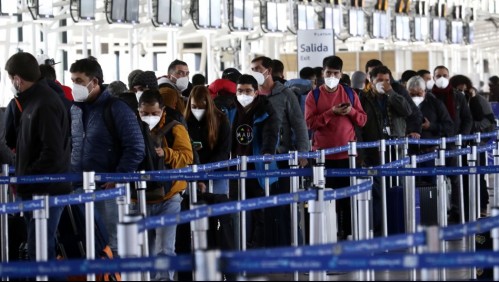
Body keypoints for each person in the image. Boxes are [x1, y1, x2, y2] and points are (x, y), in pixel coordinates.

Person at [70, 57, 145, 255]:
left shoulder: (116, 108)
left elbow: (136, 147)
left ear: (94, 82)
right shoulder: (75, 110)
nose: (74, 86)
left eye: (78, 81)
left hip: (107, 191)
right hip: (79, 187)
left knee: (112, 245)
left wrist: (117, 177)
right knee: (86, 247)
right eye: (73, 81)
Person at [5, 52, 72, 261]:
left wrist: (27, 178)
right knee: (39, 249)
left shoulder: (44, 104)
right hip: (36, 189)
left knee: (40, 251)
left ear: (17, 79)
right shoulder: (31, 102)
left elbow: (51, 153)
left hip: (45, 190)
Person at [305, 55, 367, 240]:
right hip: (322, 157)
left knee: (348, 199)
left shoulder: (350, 94)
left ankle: (348, 233)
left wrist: (351, 112)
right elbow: (310, 124)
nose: (332, 76)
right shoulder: (313, 96)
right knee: (325, 199)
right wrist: (331, 112)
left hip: (347, 156)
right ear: (322, 74)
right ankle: (325, 234)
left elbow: (363, 120)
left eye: (335, 73)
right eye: (328, 72)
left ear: (341, 74)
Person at [251, 56, 309, 246]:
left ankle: (291, 245)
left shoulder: (286, 94)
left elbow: (299, 124)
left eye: (257, 68)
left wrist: (303, 151)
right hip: (258, 159)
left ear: (268, 70)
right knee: (262, 208)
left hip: (282, 157)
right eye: (252, 69)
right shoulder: (252, 94)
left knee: (285, 205)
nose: (255, 72)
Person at [137, 89, 193, 281]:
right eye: (144, 113)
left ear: (162, 110)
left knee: (165, 249)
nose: (149, 117)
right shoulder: (132, 128)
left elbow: (187, 157)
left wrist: (166, 154)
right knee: (146, 250)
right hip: (140, 198)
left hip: (169, 197)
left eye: (154, 113)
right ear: (138, 110)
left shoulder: (175, 128)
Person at [358, 65, 413, 235]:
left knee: (396, 190)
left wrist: (391, 93)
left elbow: (407, 111)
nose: (384, 83)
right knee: (376, 194)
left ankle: (396, 226)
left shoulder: (396, 95)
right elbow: (358, 126)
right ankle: (379, 230)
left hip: (395, 151)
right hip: (373, 151)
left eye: (387, 80)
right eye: (380, 80)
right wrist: (361, 152)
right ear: (371, 81)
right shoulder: (363, 98)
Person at [230, 74, 279, 248]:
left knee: (261, 212)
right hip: (235, 169)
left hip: (258, 168)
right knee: (236, 211)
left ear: (256, 92)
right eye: (240, 91)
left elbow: (271, 131)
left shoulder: (265, 108)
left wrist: (267, 151)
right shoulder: (230, 110)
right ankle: (239, 246)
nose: (243, 94)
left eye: (248, 91)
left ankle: (258, 247)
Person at [431, 66, 473, 223]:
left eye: (444, 75)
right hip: (433, 144)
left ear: (449, 77)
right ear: (434, 78)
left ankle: (457, 211)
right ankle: (436, 211)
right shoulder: (429, 96)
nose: (442, 78)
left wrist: (461, 137)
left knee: (455, 178)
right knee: (434, 178)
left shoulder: (458, 96)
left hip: (453, 143)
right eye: (438, 75)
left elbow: (467, 118)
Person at [406, 76, 454, 185]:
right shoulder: (403, 105)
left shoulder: (436, 104)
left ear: (425, 92)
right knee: (410, 188)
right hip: (409, 154)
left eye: (419, 94)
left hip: (430, 154)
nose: (416, 97)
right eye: (412, 94)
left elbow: (449, 126)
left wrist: (431, 126)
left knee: (432, 188)